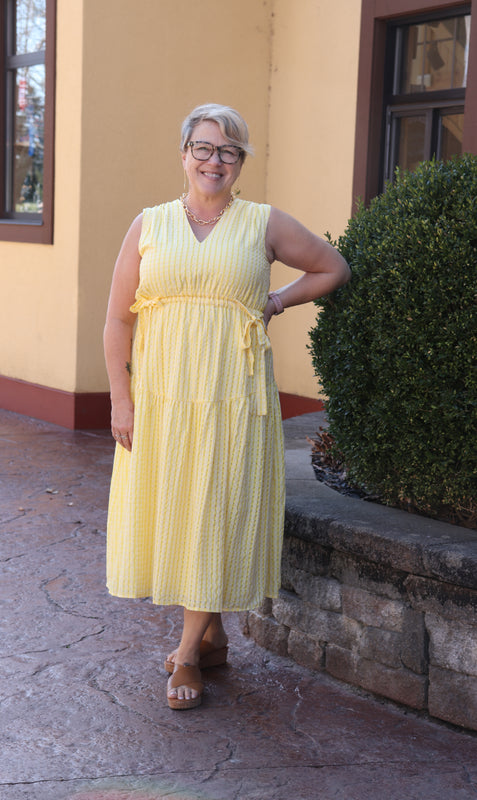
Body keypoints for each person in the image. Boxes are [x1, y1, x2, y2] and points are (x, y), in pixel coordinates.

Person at [104, 103, 350, 710]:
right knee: (178, 508)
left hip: (233, 400)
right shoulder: (150, 224)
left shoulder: (262, 223)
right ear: (184, 153)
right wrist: (121, 400)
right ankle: (211, 637)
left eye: (229, 151)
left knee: (213, 509)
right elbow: (116, 318)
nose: (215, 161)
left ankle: (185, 654)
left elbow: (332, 266)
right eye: (204, 148)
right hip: (163, 398)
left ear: (240, 162)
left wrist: (276, 301)